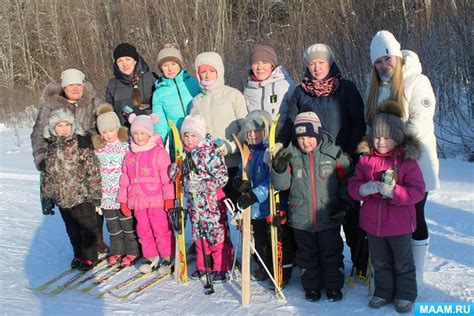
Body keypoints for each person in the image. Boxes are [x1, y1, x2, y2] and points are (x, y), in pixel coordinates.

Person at [282, 43, 368, 279]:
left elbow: (358, 123)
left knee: (350, 215)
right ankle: (312, 264)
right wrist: (284, 150)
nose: (317, 67)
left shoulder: (347, 89)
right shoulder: (300, 92)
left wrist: (351, 154)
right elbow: (290, 124)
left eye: (321, 62)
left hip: (342, 161)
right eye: (312, 63)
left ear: (330, 63)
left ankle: (361, 263)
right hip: (309, 162)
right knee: (314, 217)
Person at [366, 30, 440, 287]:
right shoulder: (375, 87)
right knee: (391, 219)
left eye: (388, 59)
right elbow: (371, 125)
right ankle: (395, 271)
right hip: (384, 164)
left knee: (414, 215)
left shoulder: (417, 81)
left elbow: (420, 123)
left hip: (414, 163)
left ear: (397, 57)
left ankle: (415, 273)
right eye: (378, 62)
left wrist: (392, 143)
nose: (384, 65)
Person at [348, 100, 426, 313]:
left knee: (402, 262)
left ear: (397, 137)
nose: (381, 141)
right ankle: (383, 291)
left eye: (387, 137)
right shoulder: (366, 160)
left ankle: (406, 294)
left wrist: (394, 192)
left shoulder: (407, 162)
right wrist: (364, 189)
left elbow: (418, 191)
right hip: (373, 225)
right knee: (380, 262)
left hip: (399, 224)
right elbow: (353, 186)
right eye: (377, 136)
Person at [270, 111, 353, 302]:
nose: (305, 142)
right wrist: (279, 169)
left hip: (329, 216)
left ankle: (333, 286)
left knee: (331, 253)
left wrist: (344, 201)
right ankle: (312, 286)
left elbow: (349, 179)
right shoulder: (291, 155)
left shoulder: (333, 153)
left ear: (318, 134)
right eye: (300, 138)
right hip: (301, 218)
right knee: (307, 255)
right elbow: (281, 185)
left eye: (309, 137)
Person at [31, 68, 109, 254]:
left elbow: (107, 124)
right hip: (62, 166)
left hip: (88, 161)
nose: (75, 88)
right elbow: (38, 133)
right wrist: (42, 158)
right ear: (64, 87)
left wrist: (91, 138)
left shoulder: (93, 101)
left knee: (93, 205)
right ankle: (81, 248)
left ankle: (97, 239)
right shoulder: (51, 105)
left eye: (78, 84)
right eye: (70, 85)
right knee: (71, 212)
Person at [243, 45, 298, 284]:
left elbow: (293, 116)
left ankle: (287, 261)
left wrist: (281, 144)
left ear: (273, 64)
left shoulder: (287, 84)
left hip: (280, 149)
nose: (260, 67)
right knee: (261, 218)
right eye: (256, 63)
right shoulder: (248, 89)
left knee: (282, 212)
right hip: (257, 149)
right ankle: (265, 261)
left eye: (264, 63)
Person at [41, 108, 102, 271]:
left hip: (82, 196)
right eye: (59, 126)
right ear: (53, 128)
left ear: (73, 126)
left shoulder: (81, 144)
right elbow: (48, 174)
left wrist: (95, 193)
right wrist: (47, 196)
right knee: (72, 229)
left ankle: (90, 257)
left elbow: (93, 169)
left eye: (67, 125)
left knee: (87, 227)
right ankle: (78, 254)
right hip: (63, 198)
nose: (64, 129)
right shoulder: (50, 148)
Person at [176, 114, 232, 283]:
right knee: (199, 236)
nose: (189, 139)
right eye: (186, 135)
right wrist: (175, 169)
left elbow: (222, 178)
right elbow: (179, 176)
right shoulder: (185, 154)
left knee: (216, 236)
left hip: (211, 205)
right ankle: (204, 265)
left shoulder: (209, 153)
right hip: (194, 207)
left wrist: (201, 186)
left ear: (200, 135)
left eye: (193, 135)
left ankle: (222, 267)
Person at [117, 113, 175, 275]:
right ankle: (151, 256)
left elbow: (166, 179)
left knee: (160, 229)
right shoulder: (130, 154)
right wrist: (123, 201)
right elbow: (125, 179)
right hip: (138, 202)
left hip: (157, 200)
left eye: (142, 133)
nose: (138, 137)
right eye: (135, 133)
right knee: (143, 230)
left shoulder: (158, 152)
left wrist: (169, 198)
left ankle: (167, 256)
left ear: (149, 133)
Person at [190, 51, 248, 202]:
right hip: (208, 168)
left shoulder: (233, 95)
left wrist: (230, 147)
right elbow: (194, 132)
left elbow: (246, 128)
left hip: (234, 164)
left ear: (219, 71)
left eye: (211, 71)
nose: (207, 75)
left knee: (236, 210)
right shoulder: (197, 101)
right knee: (214, 212)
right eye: (203, 72)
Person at [92, 103, 140, 266]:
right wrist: (97, 198)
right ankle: (117, 251)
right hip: (106, 197)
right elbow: (95, 174)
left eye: (111, 130)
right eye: (104, 132)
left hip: (123, 196)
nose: (108, 135)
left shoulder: (126, 147)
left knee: (128, 226)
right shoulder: (98, 151)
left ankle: (133, 251)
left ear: (117, 129)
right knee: (113, 228)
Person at [152, 44, 201, 146]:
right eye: (165, 65)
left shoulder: (195, 83)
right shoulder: (158, 94)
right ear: (161, 68)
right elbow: (160, 125)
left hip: (198, 138)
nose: (170, 69)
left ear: (179, 64)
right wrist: (163, 144)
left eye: (173, 64)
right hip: (176, 142)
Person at [105, 43, 157, 126]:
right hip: (126, 134)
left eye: (127, 59)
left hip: (151, 130)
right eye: (120, 61)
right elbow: (109, 114)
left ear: (135, 61)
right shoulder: (112, 85)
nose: (124, 64)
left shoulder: (151, 78)